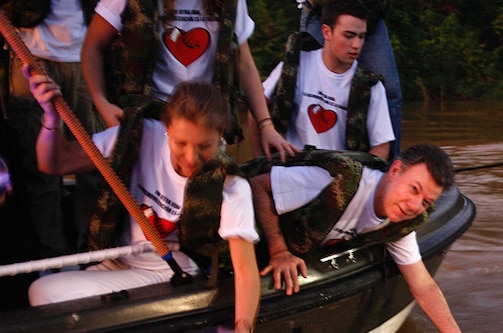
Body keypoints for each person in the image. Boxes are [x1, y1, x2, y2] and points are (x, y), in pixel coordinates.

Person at [25, 72, 259, 333]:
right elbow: (54, 162)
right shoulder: (138, 136)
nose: (190, 158)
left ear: (221, 136)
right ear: (166, 129)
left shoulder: (231, 186)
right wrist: (51, 117)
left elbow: (245, 270)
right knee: (42, 291)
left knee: (43, 292)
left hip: (168, 273)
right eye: (181, 143)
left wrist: (242, 332)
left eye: (205, 146)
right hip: (118, 261)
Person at [248, 144, 475, 333]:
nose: (415, 206)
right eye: (414, 189)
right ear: (395, 170)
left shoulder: (400, 222)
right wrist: (279, 250)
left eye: (425, 202)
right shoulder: (335, 178)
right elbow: (257, 185)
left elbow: (423, 284)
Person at [81, 0, 292, 158]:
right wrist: (101, 102)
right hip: (147, 124)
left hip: (205, 127)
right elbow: (92, 46)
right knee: (146, 207)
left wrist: (266, 126)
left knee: (204, 203)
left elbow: (244, 63)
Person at [1, 0, 102, 257]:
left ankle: (93, 255)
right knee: (39, 174)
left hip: (88, 56)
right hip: (30, 55)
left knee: (95, 168)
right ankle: (50, 262)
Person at [253, 0, 393, 162]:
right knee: (254, 182)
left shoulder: (371, 85)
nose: (357, 45)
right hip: (290, 168)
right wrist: (261, 159)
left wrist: (359, 179)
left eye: (362, 37)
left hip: (339, 176)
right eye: (348, 36)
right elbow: (257, 102)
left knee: (393, 93)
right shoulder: (295, 64)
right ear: (327, 32)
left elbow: (382, 146)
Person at [298, 0, 401, 160]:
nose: (356, 44)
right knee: (313, 82)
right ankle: (307, 162)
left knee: (389, 91)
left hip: (369, 12)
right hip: (320, 12)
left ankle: (390, 168)